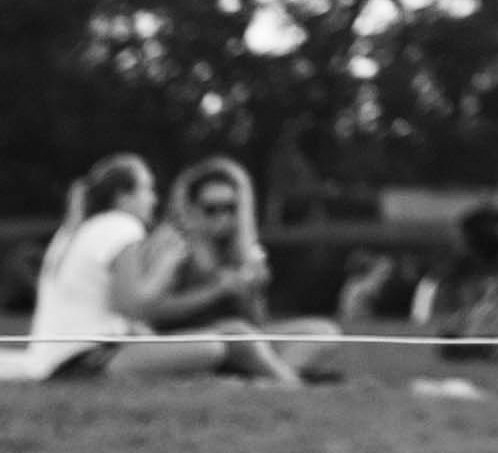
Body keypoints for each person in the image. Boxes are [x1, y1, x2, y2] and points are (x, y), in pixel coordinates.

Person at [14, 155, 307, 384]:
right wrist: (166, 268)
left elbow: (119, 309)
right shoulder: (120, 226)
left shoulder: (77, 231)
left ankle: (279, 382)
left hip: (64, 357)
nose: (153, 198)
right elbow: (132, 304)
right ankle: (288, 385)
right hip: (82, 361)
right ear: (123, 196)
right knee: (216, 345)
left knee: (228, 339)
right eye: (147, 189)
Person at [132, 158, 341, 378]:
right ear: (190, 207)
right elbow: (151, 311)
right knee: (237, 332)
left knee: (322, 332)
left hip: (241, 340)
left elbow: (256, 322)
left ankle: (266, 380)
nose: (223, 217)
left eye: (231, 208)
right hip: (189, 341)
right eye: (211, 209)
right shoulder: (171, 242)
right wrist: (215, 291)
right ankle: (287, 383)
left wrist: (253, 291)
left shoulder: (240, 248)